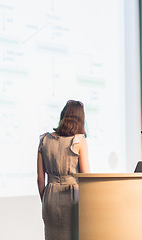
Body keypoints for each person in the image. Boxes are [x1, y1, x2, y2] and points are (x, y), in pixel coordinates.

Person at [37, 100, 90, 240]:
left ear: (63, 115)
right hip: (73, 197)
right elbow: (86, 177)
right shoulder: (79, 140)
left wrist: (45, 198)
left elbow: (40, 178)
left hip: (50, 196)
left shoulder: (44, 140)